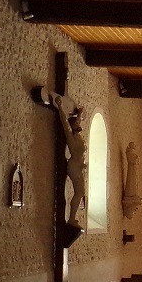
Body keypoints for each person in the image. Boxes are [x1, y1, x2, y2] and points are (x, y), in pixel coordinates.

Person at [52, 93, 88, 229]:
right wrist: (60, 106)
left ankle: (73, 218)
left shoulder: (79, 136)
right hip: (74, 166)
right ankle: (71, 218)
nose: (79, 123)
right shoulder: (71, 136)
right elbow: (64, 122)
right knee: (79, 192)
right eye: (77, 122)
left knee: (80, 192)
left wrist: (79, 114)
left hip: (79, 166)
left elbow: (76, 121)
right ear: (72, 126)